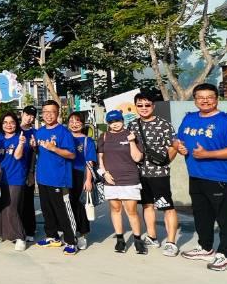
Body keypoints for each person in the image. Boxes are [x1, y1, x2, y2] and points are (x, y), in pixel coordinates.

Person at [174, 83, 227, 271]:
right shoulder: (189, 118)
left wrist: (208, 154)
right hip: (196, 175)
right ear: (195, 99)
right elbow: (178, 139)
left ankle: (225, 255)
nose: (205, 100)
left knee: (226, 217)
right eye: (200, 97)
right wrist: (179, 147)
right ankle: (205, 247)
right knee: (201, 215)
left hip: (220, 177)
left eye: (209, 97)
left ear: (216, 99)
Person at [128, 92, 180, 257]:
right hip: (140, 174)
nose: (143, 108)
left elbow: (175, 145)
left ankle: (171, 242)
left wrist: (166, 162)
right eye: (140, 105)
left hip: (160, 174)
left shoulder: (164, 124)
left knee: (167, 207)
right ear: (135, 106)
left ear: (153, 106)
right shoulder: (132, 125)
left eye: (147, 105)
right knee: (147, 205)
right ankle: (152, 237)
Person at [98, 109, 146, 255]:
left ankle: (137, 240)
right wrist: (104, 173)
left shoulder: (131, 135)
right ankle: (120, 240)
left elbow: (137, 158)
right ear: (108, 123)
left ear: (122, 120)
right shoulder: (104, 136)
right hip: (111, 179)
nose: (115, 124)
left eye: (117, 121)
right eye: (111, 122)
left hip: (129, 179)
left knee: (131, 211)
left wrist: (131, 141)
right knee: (115, 209)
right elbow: (100, 157)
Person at [33, 100, 78, 255]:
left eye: (52, 111)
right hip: (43, 178)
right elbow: (38, 152)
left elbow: (72, 154)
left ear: (58, 113)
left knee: (63, 211)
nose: (48, 114)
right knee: (47, 210)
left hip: (59, 179)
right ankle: (52, 237)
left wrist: (54, 148)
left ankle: (71, 241)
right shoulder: (39, 132)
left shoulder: (63, 132)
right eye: (45, 111)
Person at [0, 112, 30, 252]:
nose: (9, 125)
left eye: (12, 122)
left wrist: (20, 144)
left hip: (15, 177)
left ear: (16, 124)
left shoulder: (21, 138)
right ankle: (0, 233)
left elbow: (18, 156)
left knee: (12, 208)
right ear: (2, 125)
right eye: (5, 122)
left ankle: (20, 237)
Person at [66, 112, 96, 250]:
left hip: (81, 175)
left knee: (80, 205)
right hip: (65, 174)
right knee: (67, 205)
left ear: (83, 123)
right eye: (71, 121)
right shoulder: (64, 138)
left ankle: (82, 234)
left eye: (77, 121)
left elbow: (90, 162)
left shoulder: (87, 141)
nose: (74, 123)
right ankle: (69, 232)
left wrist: (88, 179)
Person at [19, 105, 38, 241]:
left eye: (32, 116)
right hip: (13, 171)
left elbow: (37, 153)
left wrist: (35, 147)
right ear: (22, 114)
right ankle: (16, 228)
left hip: (28, 171)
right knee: (14, 202)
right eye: (27, 115)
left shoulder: (35, 132)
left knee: (28, 202)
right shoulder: (13, 129)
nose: (29, 118)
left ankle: (30, 230)